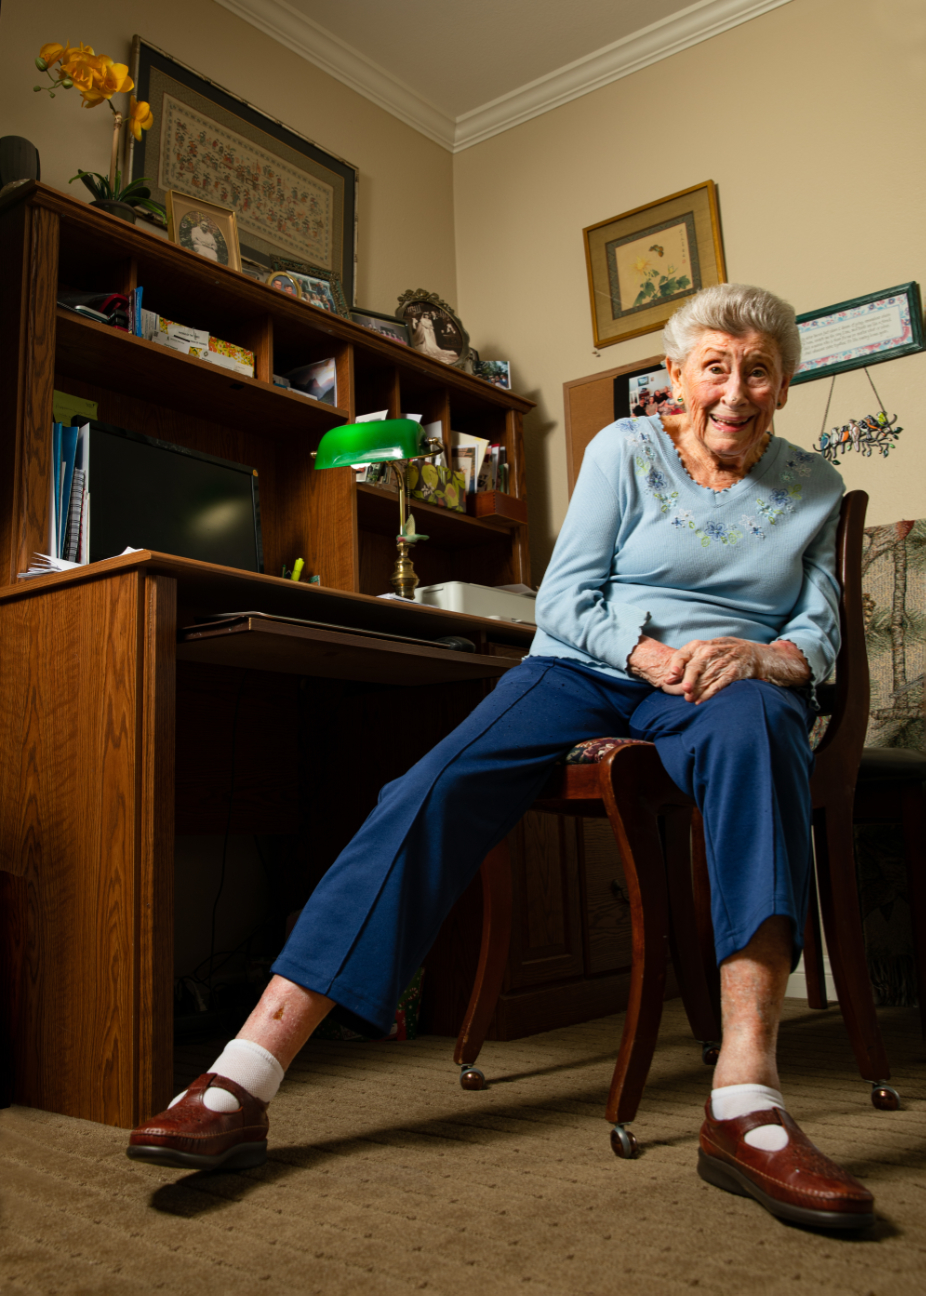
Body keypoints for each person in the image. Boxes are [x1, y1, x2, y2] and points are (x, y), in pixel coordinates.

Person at [128, 284, 874, 1231]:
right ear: (678, 378)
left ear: (785, 382)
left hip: (727, 679)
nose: (737, 389)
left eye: (759, 369)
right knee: (431, 784)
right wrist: (643, 654)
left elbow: (817, 627)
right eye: (715, 367)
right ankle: (243, 1077)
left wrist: (764, 659)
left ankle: (747, 1105)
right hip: (596, 662)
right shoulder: (626, 450)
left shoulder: (811, 484)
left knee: (764, 732)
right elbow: (564, 600)